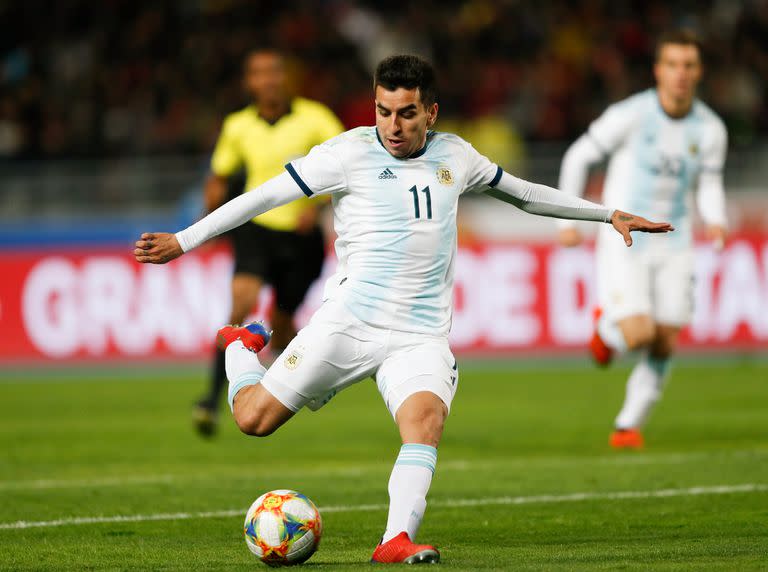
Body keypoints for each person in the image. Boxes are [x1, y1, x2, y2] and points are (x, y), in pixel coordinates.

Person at [135, 55, 671, 563]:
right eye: (383, 111)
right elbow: (262, 197)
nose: (392, 125)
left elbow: (526, 194)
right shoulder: (346, 153)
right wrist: (185, 239)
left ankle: (395, 538)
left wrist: (609, 214)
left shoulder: (457, 156)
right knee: (252, 420)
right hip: (348, 323)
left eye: (407, 113)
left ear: (430, 113)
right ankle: (239, 347)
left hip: (420, 335)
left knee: (425, 421)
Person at [557, 30, 728, 449]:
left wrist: (717, 219)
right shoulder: (630, 115)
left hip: (676, 241)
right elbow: (578, 155)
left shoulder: (710, 129)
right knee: (637, 335)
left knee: (665, 340)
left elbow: (708, 183)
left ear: (698, 72)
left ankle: (628, 425)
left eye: (688, 66)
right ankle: (606, 329)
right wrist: (568, 220)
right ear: (658, 70)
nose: (680, 74)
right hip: (626, 237)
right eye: (672, 65)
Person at [194, 48, 344, 436]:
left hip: (301, 237)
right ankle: (211, 399)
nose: (269, 80)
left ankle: (307, 383)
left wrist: (320, 203)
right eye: (260, 73)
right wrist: (208, 214)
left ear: (285, 77)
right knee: (239, 304)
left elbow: (350, 163)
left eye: (275, 71)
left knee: (282, 322)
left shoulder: (316, 118)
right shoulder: (237, 126)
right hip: (255, 230)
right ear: (250, 82)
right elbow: (220, 175)